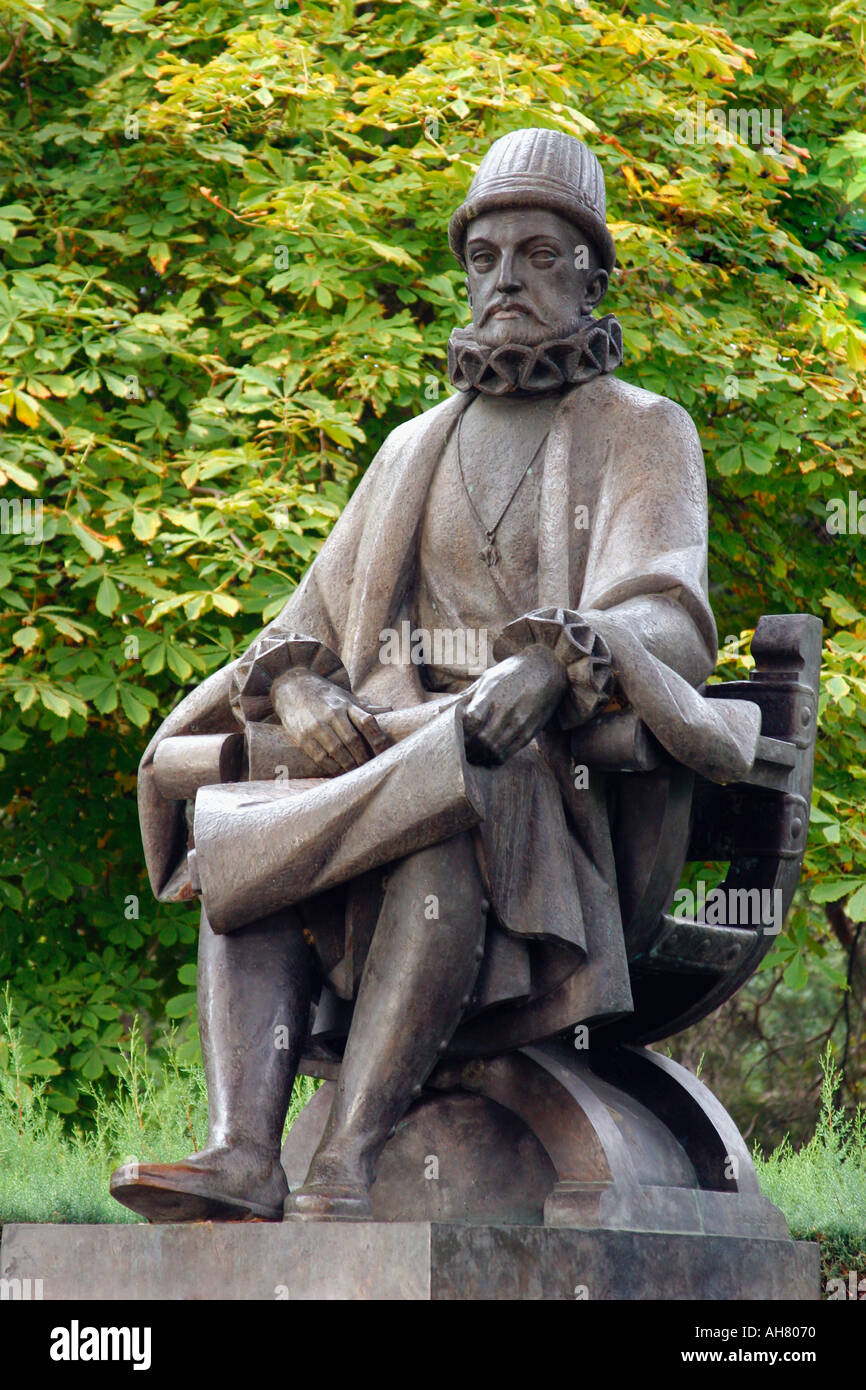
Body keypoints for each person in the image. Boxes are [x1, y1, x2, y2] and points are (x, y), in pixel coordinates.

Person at [112, 128, 756, 1224]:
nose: (503, 277)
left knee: (454, 791)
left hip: (553, 793)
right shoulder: (409, 447)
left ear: (593, 275)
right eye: (483, 255)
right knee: (246, 811)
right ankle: (242, 1150)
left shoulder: (644, 430)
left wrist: (556, 661)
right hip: (386, 759)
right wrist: (304, 689)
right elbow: (297, 628)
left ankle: (347, 1157)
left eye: (538, 254)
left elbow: (666, 613)